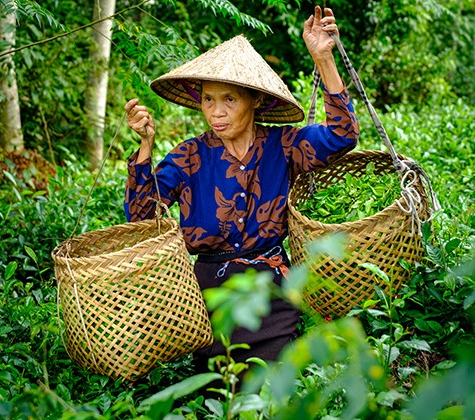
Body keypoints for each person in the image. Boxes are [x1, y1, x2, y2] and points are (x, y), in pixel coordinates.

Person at [123, 5, 359, 383]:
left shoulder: (283, 145)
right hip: (208, 293)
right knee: (220, 391)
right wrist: (146, 146)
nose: (216, 113)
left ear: (255, 101)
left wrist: (323, 58)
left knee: (269, 386)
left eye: (229, 99)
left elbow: (342, 134)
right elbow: (140, 217)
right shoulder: (189, 156)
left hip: (270, 286)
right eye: (208, 100)